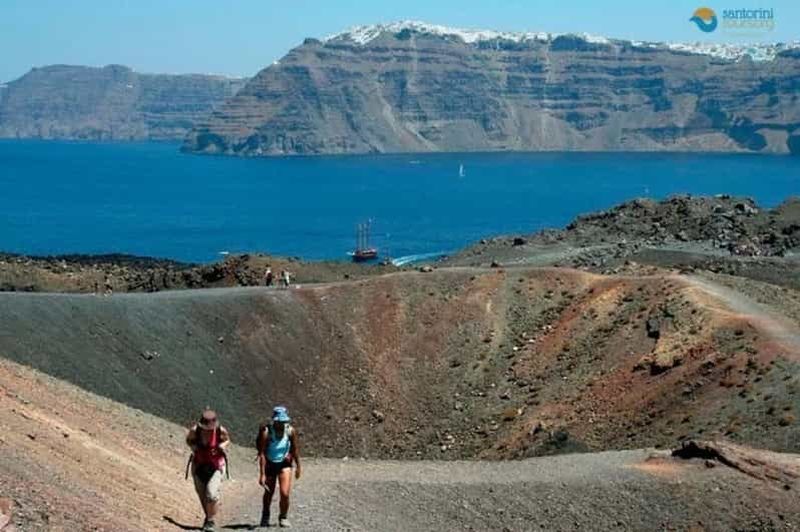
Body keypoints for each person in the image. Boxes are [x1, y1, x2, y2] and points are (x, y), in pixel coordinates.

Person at [256, 406, 301, 528]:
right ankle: (265, 515)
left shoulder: (290, 431)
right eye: (279, 421)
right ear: (274, 420)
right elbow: (262, 454)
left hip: (284, 464)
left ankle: (283, 516)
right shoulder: (267, 432)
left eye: (283, 421)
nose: (281, 423)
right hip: (270, 463)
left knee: (285, 493)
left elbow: (295, 450)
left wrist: (298, 467)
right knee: (269, 492)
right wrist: (262, 474)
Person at [186, 409, 230, 532]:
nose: (208, 430)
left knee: (211, 493)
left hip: (216, 465)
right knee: (202, 495)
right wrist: (193, 447)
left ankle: (211, 521)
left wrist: (223, 446)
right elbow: (188, 440)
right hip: (199, 465)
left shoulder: (220, 431)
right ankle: (208, 517)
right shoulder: (195, 431)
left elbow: (227, 439)